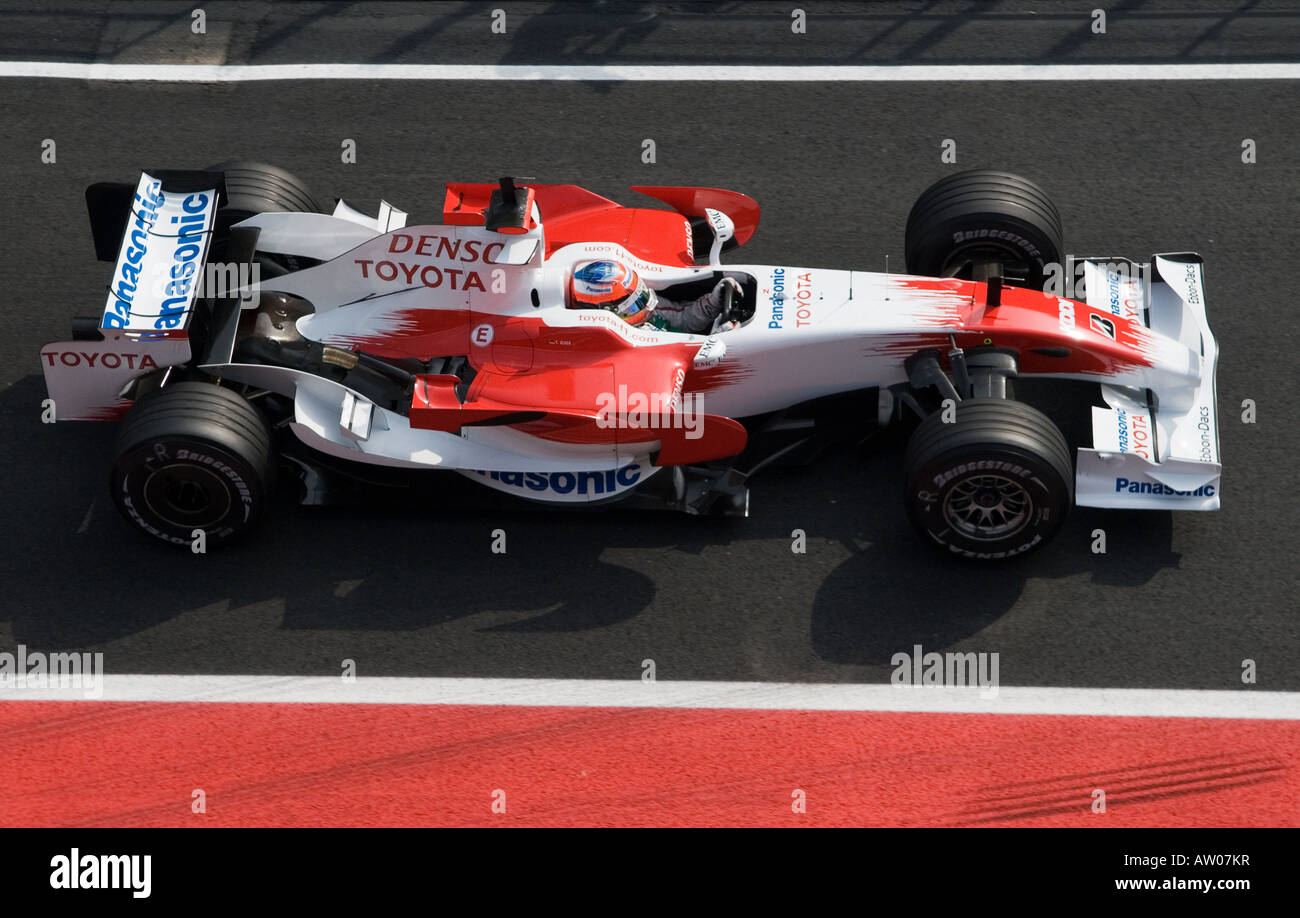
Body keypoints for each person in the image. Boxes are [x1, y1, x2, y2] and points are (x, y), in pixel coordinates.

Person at [569, 259, 741, 334]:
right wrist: (717, 341)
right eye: (633, 306)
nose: (645, 307)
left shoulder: (648, 306)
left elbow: (682, 317)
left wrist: (712, 303)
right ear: (606, 312)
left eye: (641, 296)